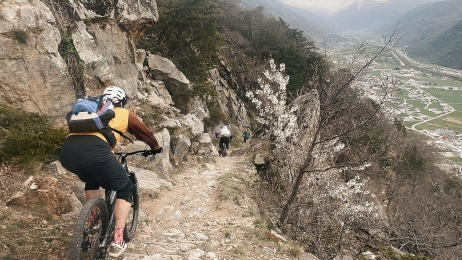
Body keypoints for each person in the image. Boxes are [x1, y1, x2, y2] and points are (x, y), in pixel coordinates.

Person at [59, 86, 162, 258]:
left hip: (68, 152)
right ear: (121, 101)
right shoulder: (123, 112)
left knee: (92, 179)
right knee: (125, 187)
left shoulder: (89, 109)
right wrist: (156, 147)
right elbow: (145, 133)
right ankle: (118, 239)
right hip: (97, 151)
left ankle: (94, 220)